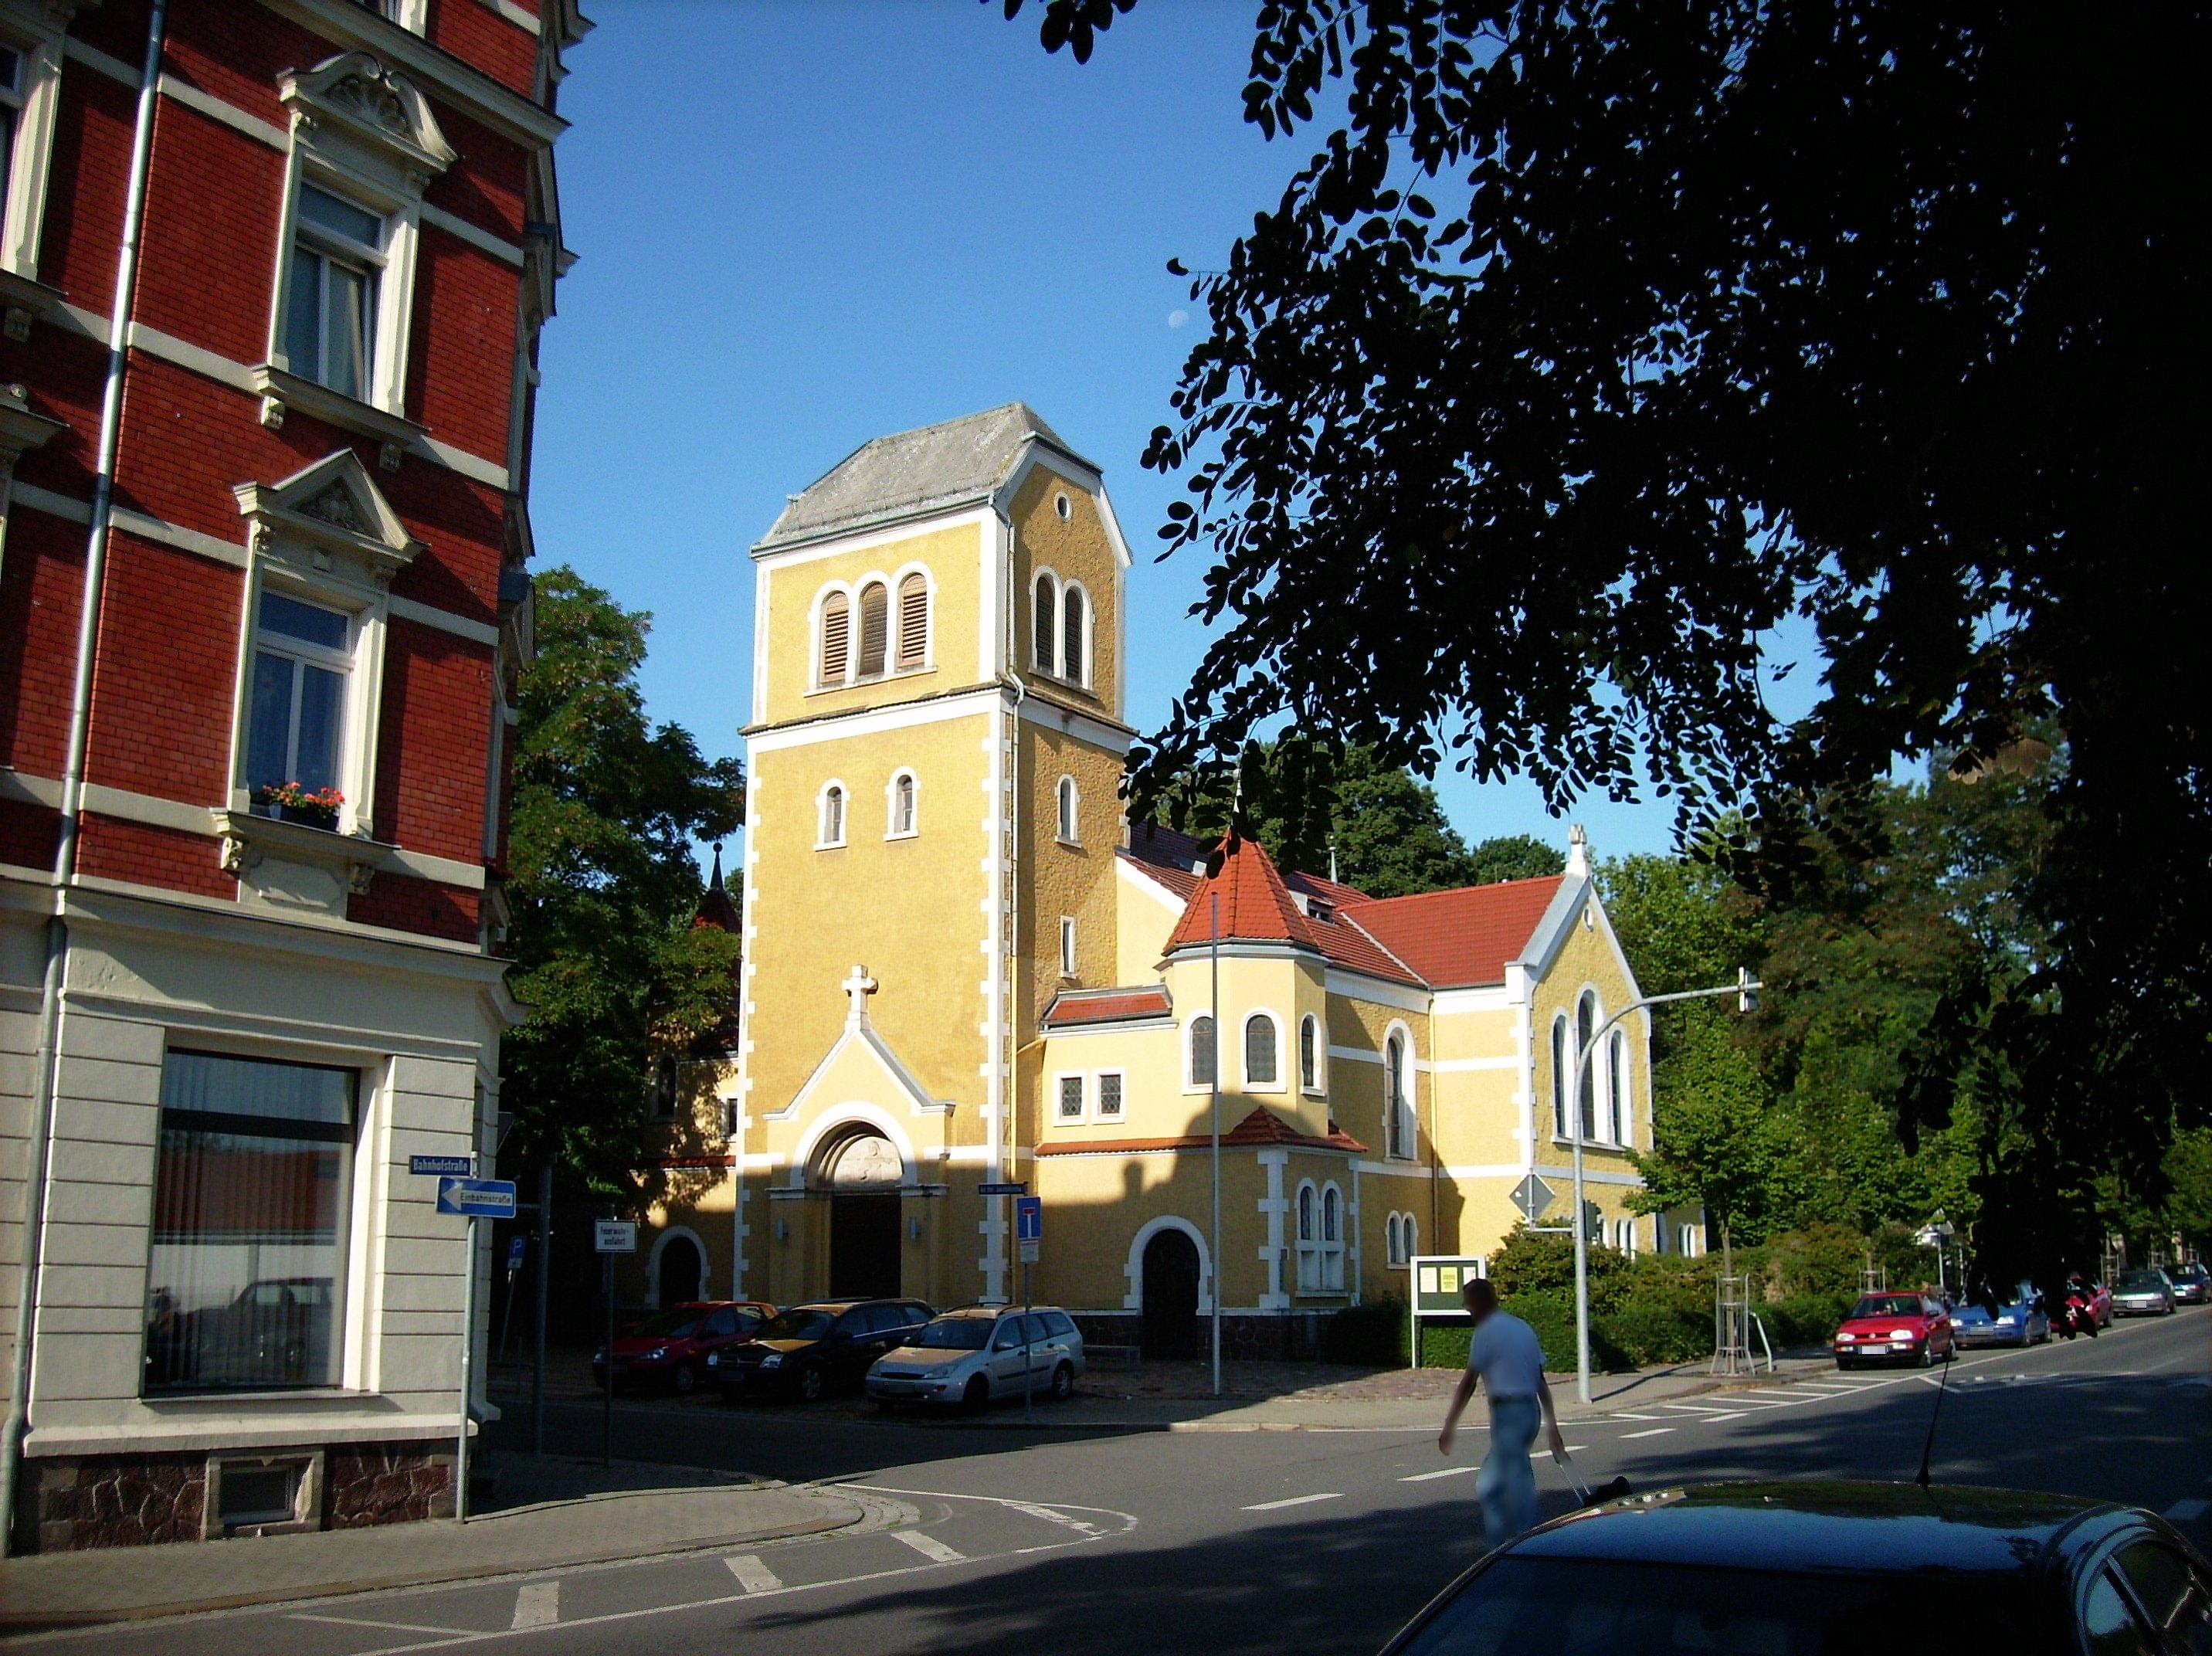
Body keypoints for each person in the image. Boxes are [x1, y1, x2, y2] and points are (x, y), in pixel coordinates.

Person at [1438, 1276, 1568, 1548]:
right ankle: (1502, 1549)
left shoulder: (1486, 1333)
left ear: (1481, 1304)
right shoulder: (1522, 1327)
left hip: (1509, 1415)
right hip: (1529, 1411)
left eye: (1470, 1306)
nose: (1469, 1312)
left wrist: (1450, 1426)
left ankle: (1528, 1549)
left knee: (1516, 1488)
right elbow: (1541, 1381)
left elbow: (1469, 1382)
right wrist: (1552, 1426)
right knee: (1492, 1486)